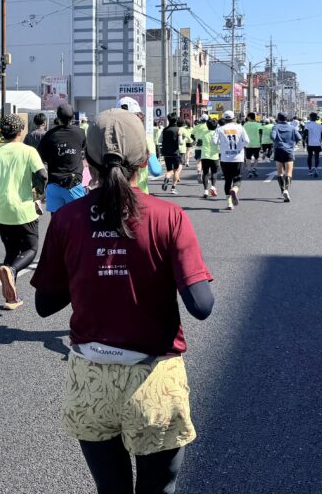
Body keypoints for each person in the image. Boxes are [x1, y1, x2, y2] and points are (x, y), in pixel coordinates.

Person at [31, 108, 214, 494]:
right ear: (144, 159)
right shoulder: (169, 216)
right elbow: (202, 304)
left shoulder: (66, 219)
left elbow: (45, 304)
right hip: (153, 378)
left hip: (91, 376)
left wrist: (87, 268)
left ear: (88, 162)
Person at [0, 114, 47, 311]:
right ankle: (12, 269)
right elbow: (42, 174)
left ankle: (11, 298)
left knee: (11, 251)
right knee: (31, 249)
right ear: (20, 131)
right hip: (23, 208)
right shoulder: (28, 151)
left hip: (1, 209)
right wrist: (40, 191)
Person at [38, 103, 87, 212]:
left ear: (58, 117)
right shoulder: (80, 133)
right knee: (78, 219)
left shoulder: (50, 135)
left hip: (54, 183)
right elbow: (84, 150)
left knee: (56, 221)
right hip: (74, 183)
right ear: (73, 117)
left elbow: (41, 156)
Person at [118, 97, 160, 195]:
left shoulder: (112, 140)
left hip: (116, 195)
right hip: (140, 194)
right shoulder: (146, 140)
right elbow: (156, 170)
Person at [215, 110, 249, 210]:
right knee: (237, 178)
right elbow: (247, 141)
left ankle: (229, 203)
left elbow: (214, 142)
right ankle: (234, 189)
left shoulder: (220, 129)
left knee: (227, 180)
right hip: (238, 157)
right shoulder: (240, 127)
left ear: (224, 119)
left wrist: (223, 146)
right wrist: (239, 147)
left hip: (225, 158)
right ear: (233, 118)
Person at [271, 112, 301, 202]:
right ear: (287, 119)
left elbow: (272, 137)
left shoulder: (275, 127)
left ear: (278, 118)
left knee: (280, 172)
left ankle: (282, 190)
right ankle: (286, 190)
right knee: (289, 172)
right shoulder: (292, 128)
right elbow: (299, 137)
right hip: (289, 151)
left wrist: (277, 140)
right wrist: (292, 142)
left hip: (278, 150)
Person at [159, 115, 183, 194]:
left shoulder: (164, 129)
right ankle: (173, 188)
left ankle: (166, 178)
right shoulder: (178, 130)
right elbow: (180, 142)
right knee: (176, 170)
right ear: (176, 120)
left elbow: (159, 140)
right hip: (175, 152)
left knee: (169, 170)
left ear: (168, 120)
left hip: (166, 153)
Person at [199, 117, 221, 198]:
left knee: (205, 173)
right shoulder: (217, 133)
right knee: (214, 172)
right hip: (215, 156)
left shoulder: (204, 132)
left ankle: (205, 191)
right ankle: (213, 187)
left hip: (204, 155)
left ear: (207, 126)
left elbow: (199, 142)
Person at [242, 112, 263, 179]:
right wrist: (261, 142)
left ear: (249, 117)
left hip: (248, 144)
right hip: (257, 143)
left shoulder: (245, 125)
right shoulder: (258, 124)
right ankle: (254, 168)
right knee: (256, 157)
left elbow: (243, 134)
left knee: (248, 158)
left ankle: (249, 170)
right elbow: (260, 134)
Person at [305, 112, 322, 177]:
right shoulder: (319, 125)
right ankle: (316, 168)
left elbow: (305, 134)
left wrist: (304, 140)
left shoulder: (307, 125)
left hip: (310, 143)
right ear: (316, 118)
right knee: (317, 156)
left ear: (310, 118)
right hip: (317, 143)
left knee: (309, 156)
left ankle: (310, 170)